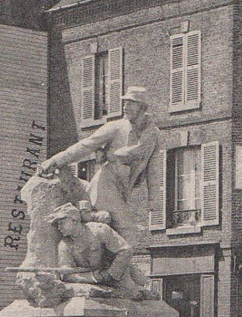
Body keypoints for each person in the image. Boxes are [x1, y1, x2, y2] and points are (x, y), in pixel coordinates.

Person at [38, 86, 159, 240]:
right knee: (127, 230)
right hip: (106, 185)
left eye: (131, 103)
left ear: (142, 107)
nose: (125, 107)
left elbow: (153, 170)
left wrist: (153, 200)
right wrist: (55, 160)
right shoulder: (115, 127)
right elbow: (85, 146)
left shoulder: (153, 135)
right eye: (125, 102)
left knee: (110, 234)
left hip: (123, 190)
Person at [48, 203, 146, 291]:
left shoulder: (99, 231)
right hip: (94, 279)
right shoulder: (64, 244)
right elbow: (66, 274)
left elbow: (125, 250)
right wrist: (94, 278)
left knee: (138, 293)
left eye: (62, 223)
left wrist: (110, 274)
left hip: (118, 276)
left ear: (74, 220)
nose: (59, 227)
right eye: (57, 224)